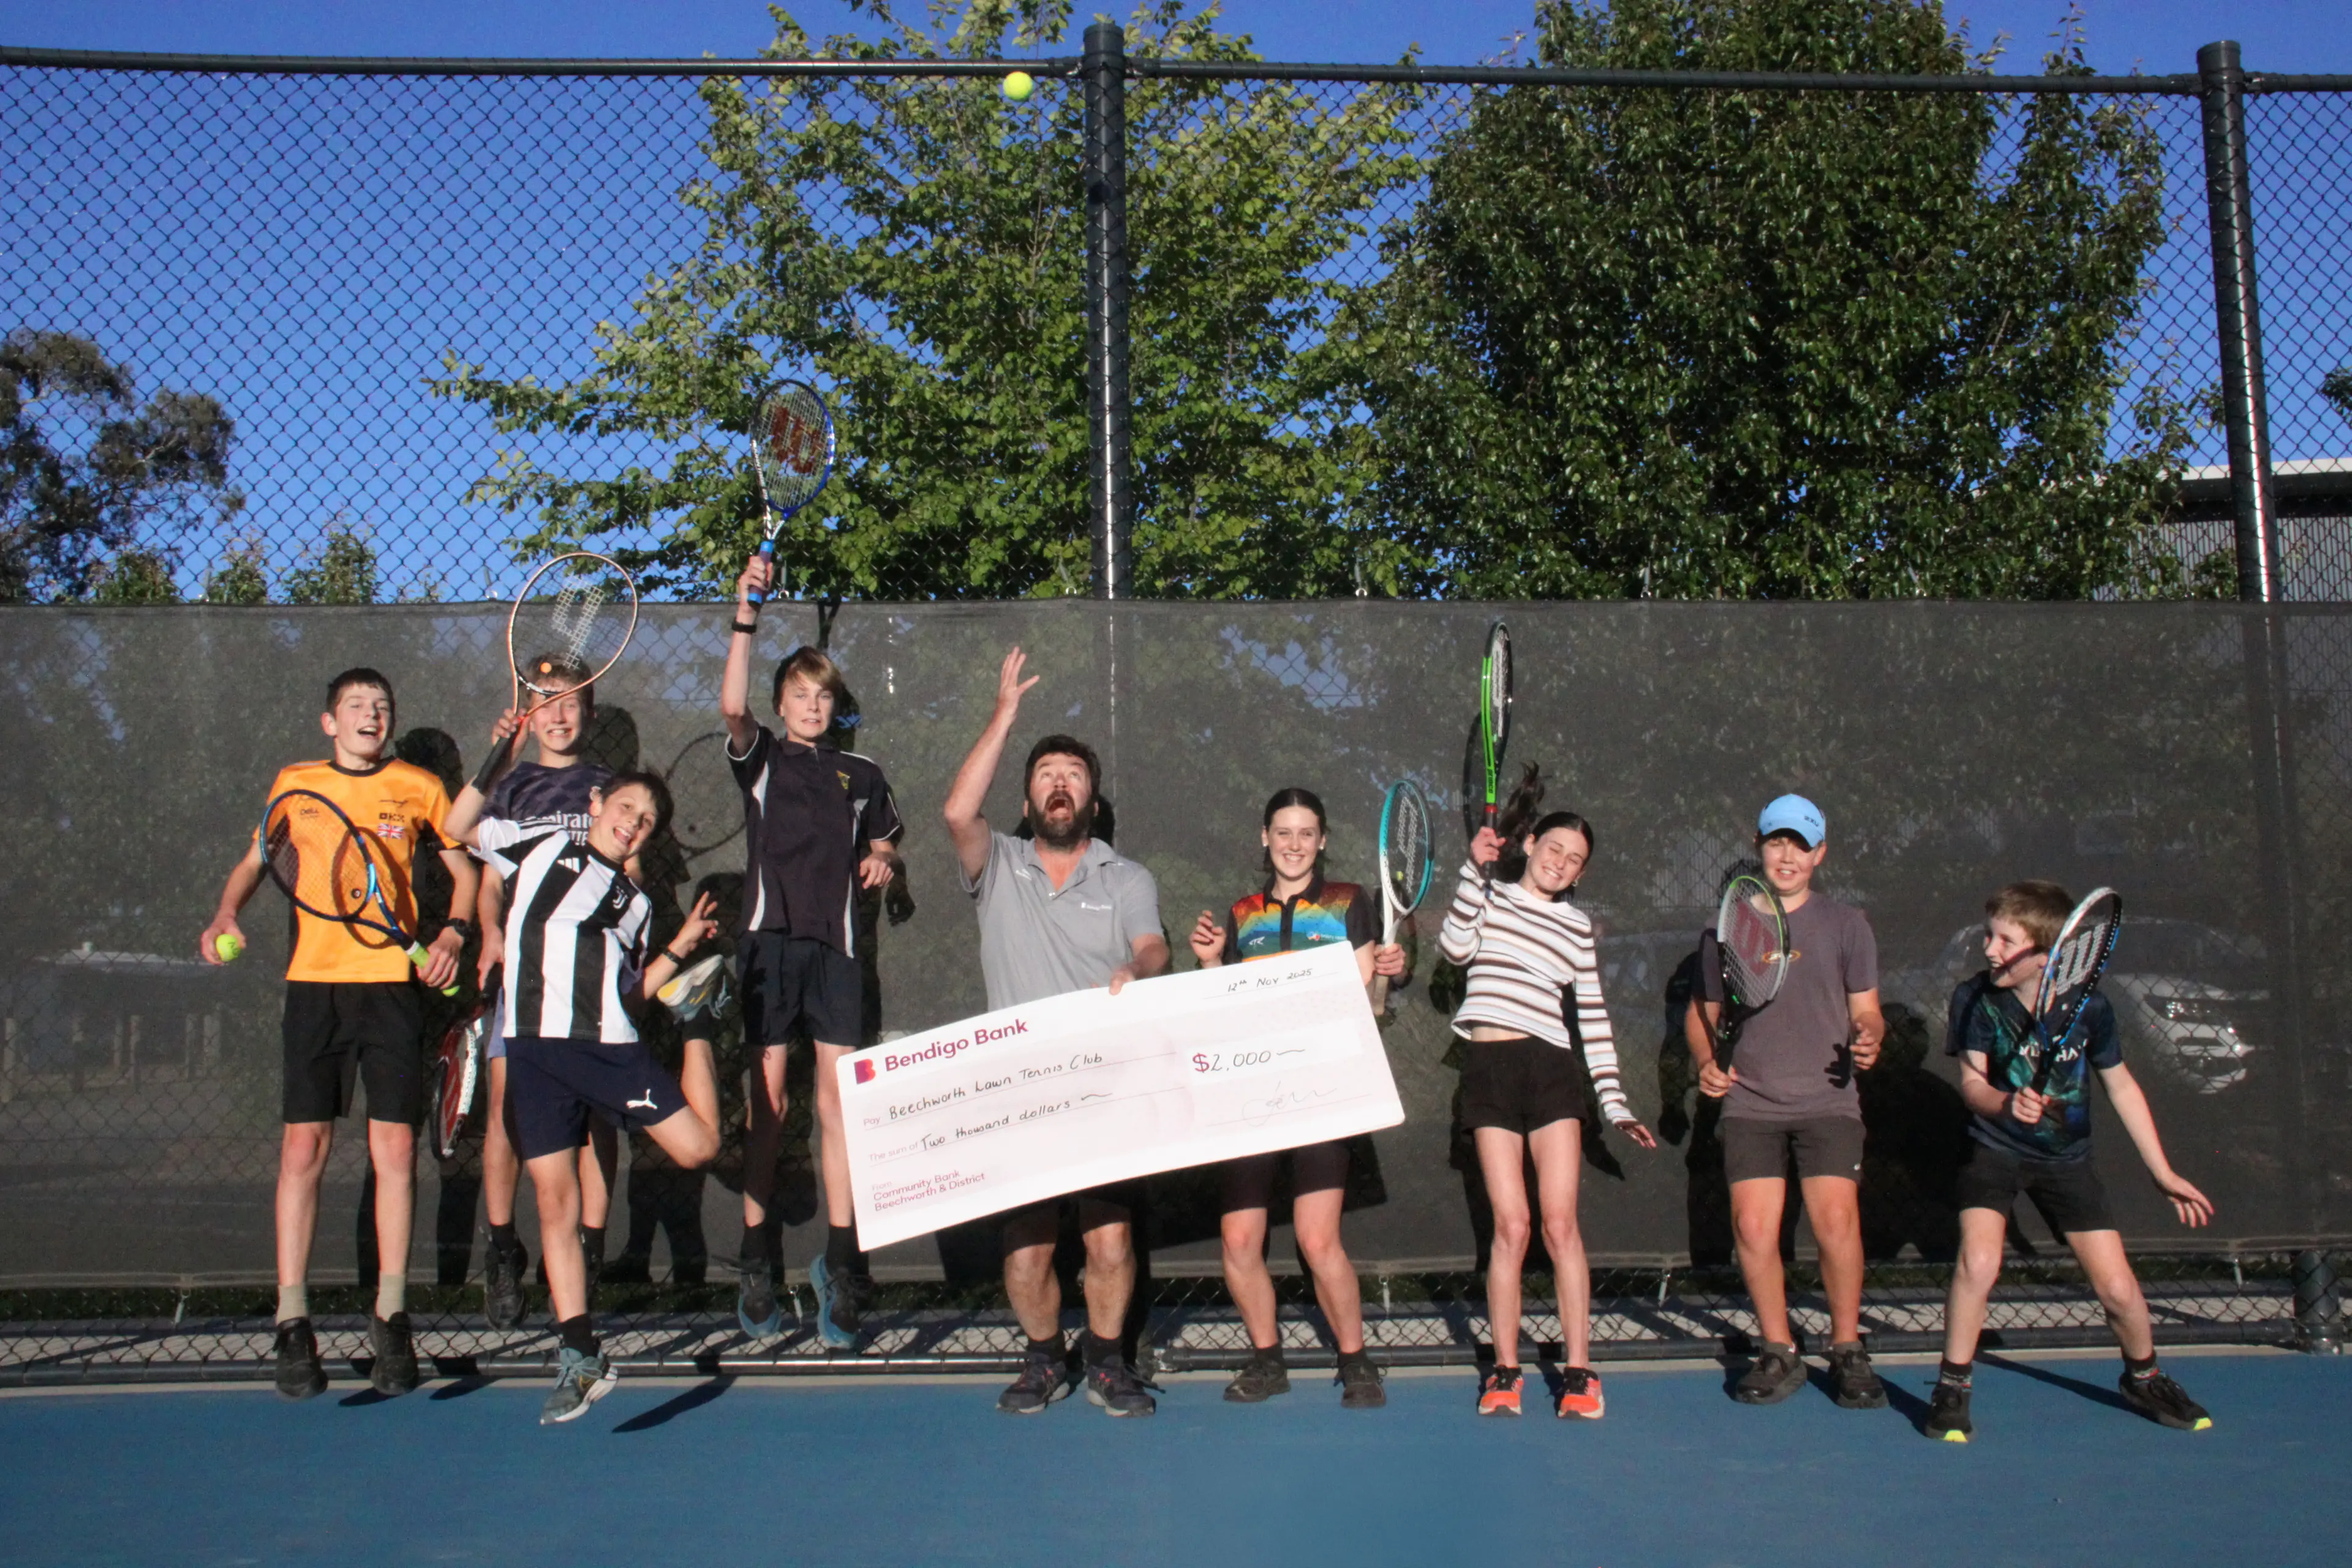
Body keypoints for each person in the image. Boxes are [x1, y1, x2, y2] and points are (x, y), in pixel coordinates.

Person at [199, 667, 478, 1401]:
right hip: (314, 988)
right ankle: (293, 1320)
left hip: (391, 992)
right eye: (356, 705)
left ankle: (392, 1314)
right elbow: (257, 860)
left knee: (394, 1149)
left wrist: (453, 927)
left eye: (381, 706)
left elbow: (464, 870)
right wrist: (227, 913)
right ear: (331, 722)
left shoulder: (419, 787)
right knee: (304, 1148)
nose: (370, 714)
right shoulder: (294, 782)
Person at [443, 770, 724, 1424]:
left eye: (647, 819)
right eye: (626, 806)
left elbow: (627, 991)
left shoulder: (639, 904)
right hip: (536, 1054)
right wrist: (500, 752)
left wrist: (679, 952)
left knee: (699, 1148)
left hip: (608, 1051)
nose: (633, 821)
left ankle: (702, 1021)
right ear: (596, 805)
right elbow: (456, 828)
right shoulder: (537, 845)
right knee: (553, 1201)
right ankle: (580, 1355)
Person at [944, 647, 1170, 1417]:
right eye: (1046, 775)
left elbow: (1152, 947)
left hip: (1107, 1085)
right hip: (1021, 1090)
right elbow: (954, 814)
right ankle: (1045, 1358)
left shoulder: (1126, 876)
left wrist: (1140, 971)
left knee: (1109, 1242)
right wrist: (1006, 715)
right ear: (1029, 794)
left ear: (1093, 801)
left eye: (1073, 775)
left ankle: (1108, 1361)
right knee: (1027, 1253)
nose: (1060, 784)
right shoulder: (997, 863)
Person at [1926, 880, 2215, 1442]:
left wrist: (2163, 1171)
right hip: (1995, 1150)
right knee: (1978, 1265)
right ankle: (1953, 1388)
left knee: (2118, 1290)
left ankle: (2145, 1377)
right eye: (1988, 934)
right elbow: (1972, 1085)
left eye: (2004, 939)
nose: (1988, 949)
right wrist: (2007, 1103)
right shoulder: (1976, 1000)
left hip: (2068, 1161)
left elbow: (2122, 1087)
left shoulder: (2092, 1008)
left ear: (2045, 952)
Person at [722, 558, 904, 1348]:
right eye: (799, 695)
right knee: (769, 1108)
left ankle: (839, 1262)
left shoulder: (861, 773)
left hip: (836, 952)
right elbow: (729, 703)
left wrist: (886, 861)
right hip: (768, 948)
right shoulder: (759, 757)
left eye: (824, 696)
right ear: (780, 705)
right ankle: (756, 1256)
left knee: (838, 1108)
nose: (812, 706)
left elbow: (888, 837)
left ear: (836, 707)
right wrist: (745, 613)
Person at [1439, 766, 1657, 1417]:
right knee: (1512, 1226)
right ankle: (1505, 1370)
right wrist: (1471, 872)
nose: (1562, 863)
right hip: (1489, 1070)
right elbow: (1453, 950)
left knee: (1560, 1225)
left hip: (1552, 1073)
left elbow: (1592, 1018)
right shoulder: (1491, 894)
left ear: (1582, 874)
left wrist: (1614, 1103)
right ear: (1529, 843)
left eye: (1576, 860)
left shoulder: (1579, 929)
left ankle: (1581, 1370)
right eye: (1555, 848)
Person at [1189, 787, 1407, 1411]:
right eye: (1282, 832)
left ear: (1323, 840)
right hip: (1250, 1097)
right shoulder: (1240, 913)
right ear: (1264, 837)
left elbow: (1368, 998)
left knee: (1317, 1241)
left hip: (1324, 1092)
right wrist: (1209, 963)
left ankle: (1355, 1359)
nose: (1293, 843)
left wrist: (1388, 972)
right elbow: (1223, 1008)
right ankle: (1267, 1359)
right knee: (1238, 1241)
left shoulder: (1350, 902)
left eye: (1306, 833)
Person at [1684, 793, 1887, 1409]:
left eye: (1801, 845)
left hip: (1828, 1101)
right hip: (1752, 1103)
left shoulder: (1849, 924)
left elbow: (1867, 1010)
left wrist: (1871, 1036)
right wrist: (1705, 1062)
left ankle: (1847, 1347)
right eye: (1777, 842)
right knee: (1751, 1227)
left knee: (1836, 1225)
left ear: (1819, 854)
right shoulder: (1727, 928)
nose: (1788, 855)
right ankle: (1779, 1348)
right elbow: (1703, 1016)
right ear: (1759, 845)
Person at [466, 658, 624, 1329]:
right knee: (506, 1109)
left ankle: (588, 1247)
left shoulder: (610, 787)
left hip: (593, 980)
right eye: (545, 703)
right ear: (525, 713)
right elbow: (488, 879)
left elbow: (629, 871)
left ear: (587, 712)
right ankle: (502, 1248)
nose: (559, 715)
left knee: (597, 1116)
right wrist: (488, 935)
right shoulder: (507, 786)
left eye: (571, 703)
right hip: (525, 980)